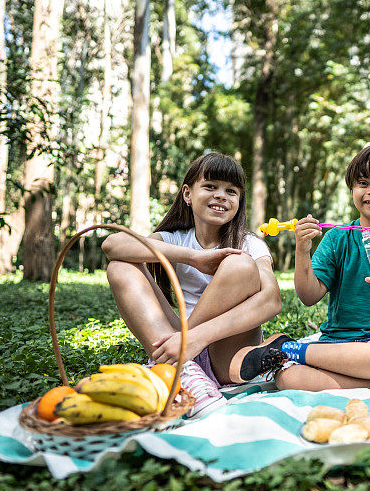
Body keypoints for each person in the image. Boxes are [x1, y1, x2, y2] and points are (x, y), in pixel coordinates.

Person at [229, 144, 370, 391]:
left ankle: (288, 350)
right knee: (288, 379)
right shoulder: (338, 238)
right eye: (363, 183)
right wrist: (302, 250)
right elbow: (308, 296)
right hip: (337, 345)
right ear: (352, 189)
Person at [102, 152, 284, 416]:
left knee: (239, 263)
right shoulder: (173, 239)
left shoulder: (249, 243)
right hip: (179, 342)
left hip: (226, 351)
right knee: (120, 265)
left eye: (231, 191)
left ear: (239, 201)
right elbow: (112, 245)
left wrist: (194, 339)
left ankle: (175, 363)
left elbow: (272, 300)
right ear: (187, 194)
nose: (221, 195)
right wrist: (194, 257)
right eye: (210, 186)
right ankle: (184, 371)